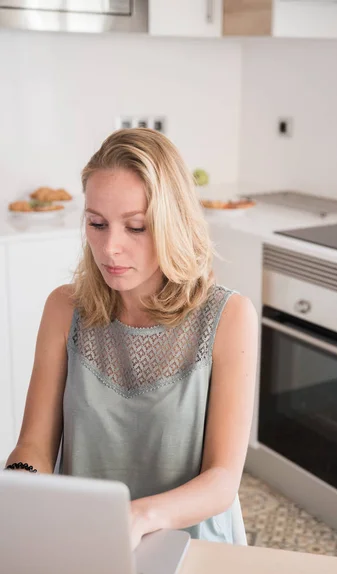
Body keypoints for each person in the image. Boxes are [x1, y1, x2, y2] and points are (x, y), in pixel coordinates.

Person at [5, 128, 258, 548]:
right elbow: (33, 445)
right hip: (84, 540)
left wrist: (136, 517)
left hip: (193, 546)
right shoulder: (64, 309)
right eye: (97, 224)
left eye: (136, 227)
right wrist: (19, 488)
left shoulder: (228, 317)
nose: (110, 248)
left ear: (172, 223)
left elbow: (222, 480)